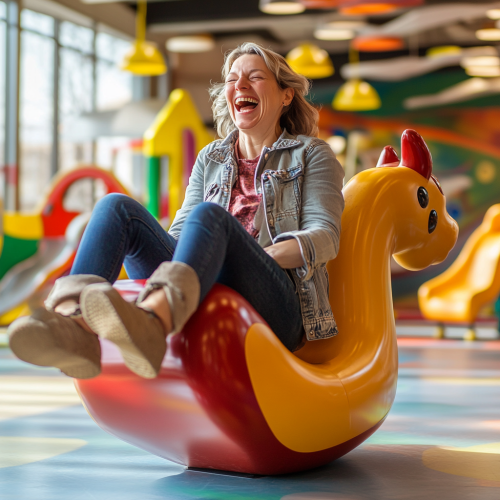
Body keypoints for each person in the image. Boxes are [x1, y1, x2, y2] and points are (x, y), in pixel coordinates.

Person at [8, 42, 344, 380]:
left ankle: (156, 322)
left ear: (286, 95)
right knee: (115, 207)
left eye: (255, 77)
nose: (240, 86)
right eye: (232, 79)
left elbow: (323, 237)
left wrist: (249, 253)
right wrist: (198, 256)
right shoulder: (210, 157)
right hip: (203, 282)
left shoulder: (312, 153)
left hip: (275, 300)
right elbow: (181, 233)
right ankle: (71, 322)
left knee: (211, 217)